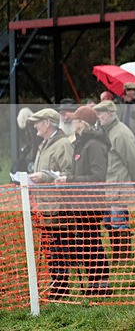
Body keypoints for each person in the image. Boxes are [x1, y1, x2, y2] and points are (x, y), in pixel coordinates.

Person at [56, 105, 112, 296]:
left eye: (75, 120)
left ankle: (101, 283)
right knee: (88, 242)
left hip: (91, 203)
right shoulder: (81, 143)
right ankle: (94, 282)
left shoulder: (94, 145)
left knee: (92, 242)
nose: (72, 123)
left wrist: (70, 180)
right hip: (81, 203)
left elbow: (98, 177)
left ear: (82, 123)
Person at [26, 108, 74, 298]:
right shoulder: (45, 144)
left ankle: (61, 290)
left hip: (57, 207)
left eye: (37, 122)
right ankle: (57, 287)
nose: (35, 125)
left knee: (58, 250)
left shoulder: (62, 144)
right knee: (52, 250)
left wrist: (43, 177)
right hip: (46, 206)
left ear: (47, 123)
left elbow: (68, 174)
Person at [94, 100, 135, 262]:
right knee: (110, 222)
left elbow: (134, 161)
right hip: (109, 187)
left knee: (119, 222)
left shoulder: (121, 133)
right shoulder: (105, 131)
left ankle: (123, 258)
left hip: (119, 187)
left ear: (109, 113)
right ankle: (118, 256)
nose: (98, 116)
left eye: (100, 113)